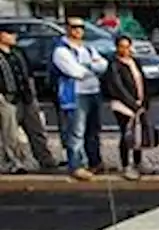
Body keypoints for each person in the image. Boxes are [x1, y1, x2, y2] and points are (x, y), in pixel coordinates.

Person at [51, 18, 108, 181]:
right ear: (67, 28)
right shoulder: (61, 50)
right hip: (75, 93)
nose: (78, 30)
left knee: (93, 130)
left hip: (93, 91)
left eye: (81, 27)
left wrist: (89, 67)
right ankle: (76, 165)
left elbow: (103, 65)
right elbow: (75, 72)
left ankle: (95, 162)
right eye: (74, 27)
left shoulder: (88, 48)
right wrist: (92, 67)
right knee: (76, 131)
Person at [0, 27, 56, 171]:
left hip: (27, 97)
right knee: (10, 134)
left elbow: (28, 73)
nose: (14, 36)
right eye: (10, 33)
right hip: (7, 98)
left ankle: (46, 160)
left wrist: (33, 94)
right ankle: (15, 162)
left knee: (36, 130)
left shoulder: (18, 52)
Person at [102, 35, 151, 180]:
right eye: (122, 46)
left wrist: (144, 101)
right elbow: (118, 87)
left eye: (127, 46)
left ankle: (138, 162)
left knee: (138, 133)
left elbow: (142, 81)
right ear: (117, 47)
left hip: (139, 102)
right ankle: (125, 165)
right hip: (122, 105)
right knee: (126, 132)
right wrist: (132, 104)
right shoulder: (114, 65)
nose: (125, 50)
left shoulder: (135, 61)